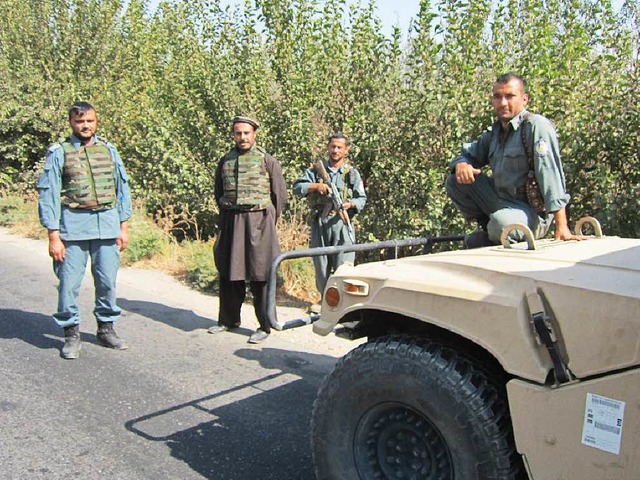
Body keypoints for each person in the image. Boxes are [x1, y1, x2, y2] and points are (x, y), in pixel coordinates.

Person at [37, 101, 132, 359]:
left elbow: (122, 189)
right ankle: (71, 333)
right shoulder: (59, 152)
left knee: (106, 282)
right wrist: (53, 235)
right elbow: (49, 194)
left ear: (96, 121)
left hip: (107, 226)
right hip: (73, 228)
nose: (85, 125)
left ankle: (106, 329)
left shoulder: (109, 151)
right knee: (68, 284)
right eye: (80, 121)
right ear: (71, 123)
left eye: (90, 120)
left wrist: (123, 226)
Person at [445, 73, 586, 247]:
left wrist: (562, 226)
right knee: (455, 180)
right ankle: (489, 227)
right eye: (498, 97)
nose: (503, 103)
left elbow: (550, 175)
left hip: (531, 213)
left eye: (510, 96)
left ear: (524, 99)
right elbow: (468, 154)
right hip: (501, 204)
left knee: (501, 225)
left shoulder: (535, 127)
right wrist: (462, 164)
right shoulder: (495, 132)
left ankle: (496, 230)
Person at [208, 116, 288, 344]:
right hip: (232, 221)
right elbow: (218, 191)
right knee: (229, 272)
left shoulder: (267, 161)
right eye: (238, 133)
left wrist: (267, 221)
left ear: (254, 134)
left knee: (260, 274)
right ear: (233, 135)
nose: (242, 137)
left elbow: (279, 196)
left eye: (246, 133)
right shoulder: (225, 161)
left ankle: (264, 325)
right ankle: (228, 320)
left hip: (260, 223)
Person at [293, 133, 367, 300]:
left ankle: (343, 302)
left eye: (339, 147)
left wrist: (351, 204)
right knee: (321, 265)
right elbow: (297, 188)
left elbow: (362, 198)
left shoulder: (352, 174)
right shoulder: (315, 171)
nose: (335, 150)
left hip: (342, 223)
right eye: (333, 146)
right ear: (328, 147)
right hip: (321, 222)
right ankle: (324, 301)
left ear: (346, 150)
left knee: (344, 265)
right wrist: (316, 186)